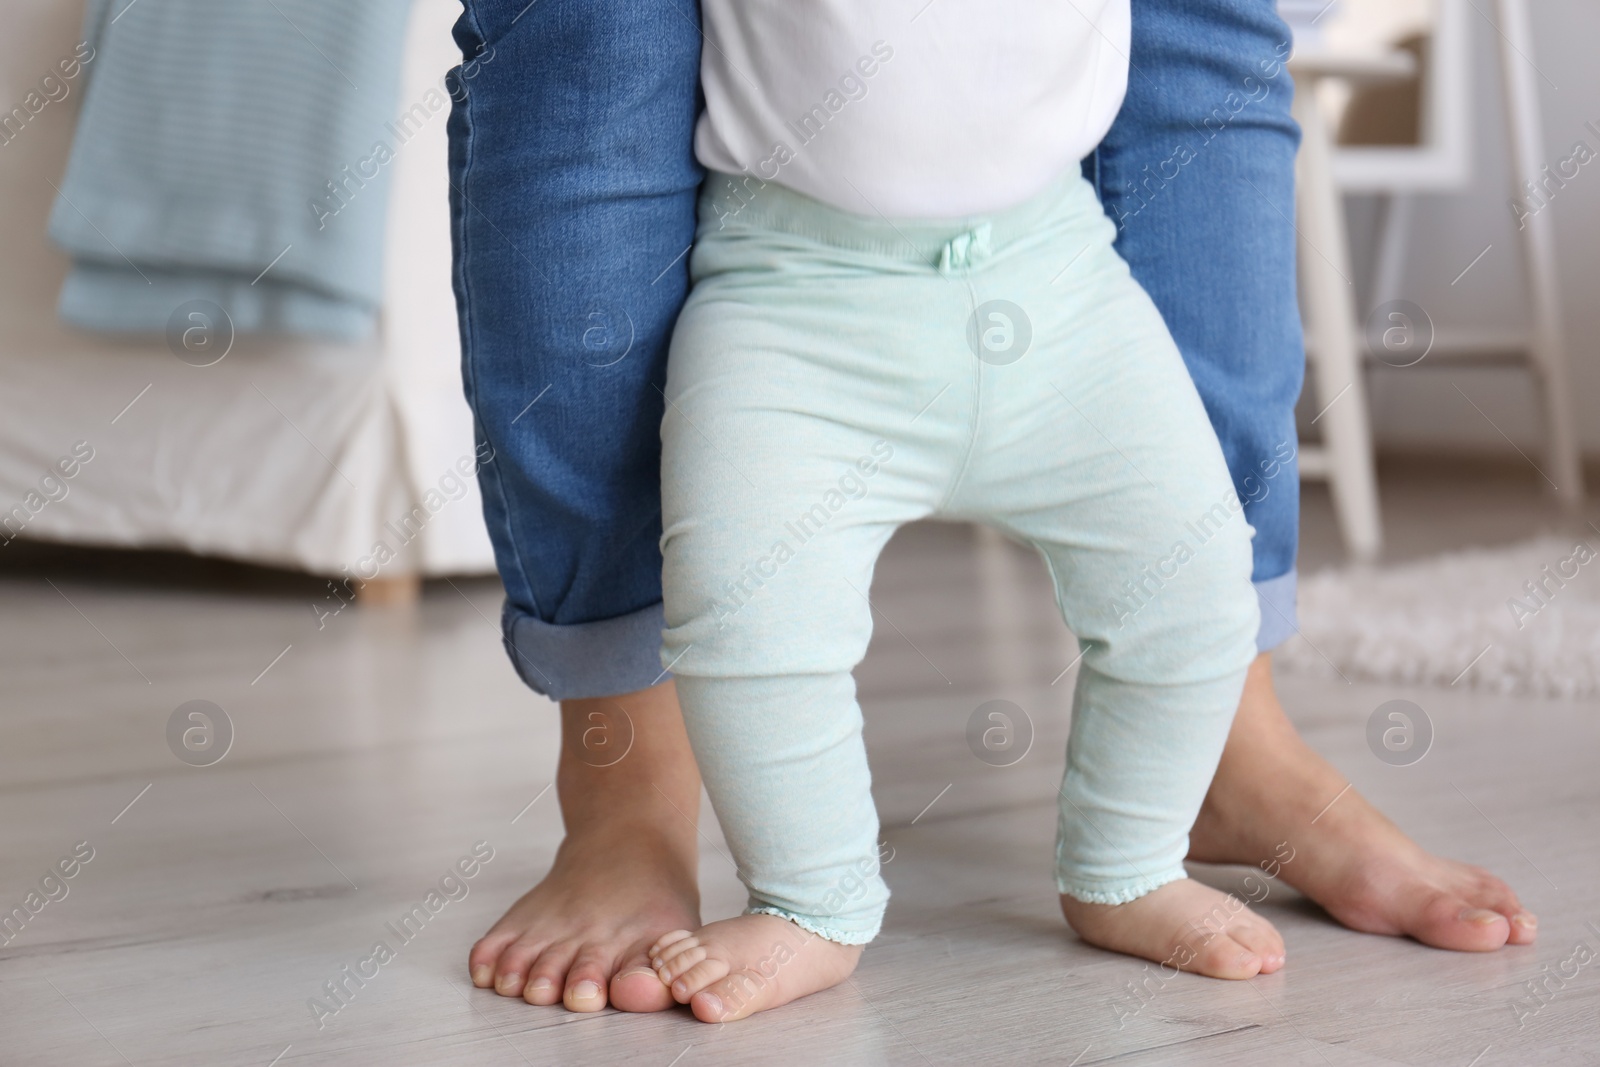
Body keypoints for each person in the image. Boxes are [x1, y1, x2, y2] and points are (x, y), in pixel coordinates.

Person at [446, 0, 1537, 1018]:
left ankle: (1131, 859)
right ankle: (804, 897)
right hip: (792, 297)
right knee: (748, 618)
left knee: (1196, 589)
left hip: (1063, 274)